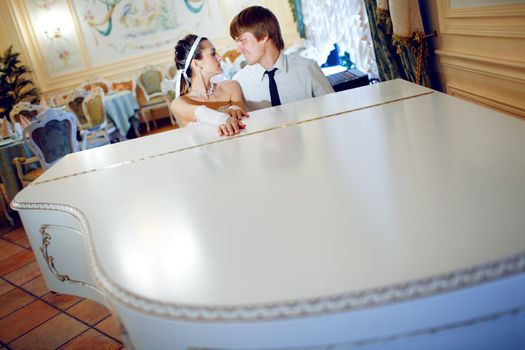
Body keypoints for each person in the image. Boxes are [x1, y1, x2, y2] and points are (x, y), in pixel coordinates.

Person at [230, 6, 334, 111]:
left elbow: (333, 108)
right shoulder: (239, 82)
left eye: (242, 40)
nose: (238, 50)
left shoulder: (307, 68)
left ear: (263, 36)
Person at [171, 34, 248, 136]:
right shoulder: (179, 104)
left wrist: (236, 110)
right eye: (213, 53)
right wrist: (224, 118)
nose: (220, 57)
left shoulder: (232, 87)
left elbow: (242, 124)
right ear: (196, 63)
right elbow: (201, 113)